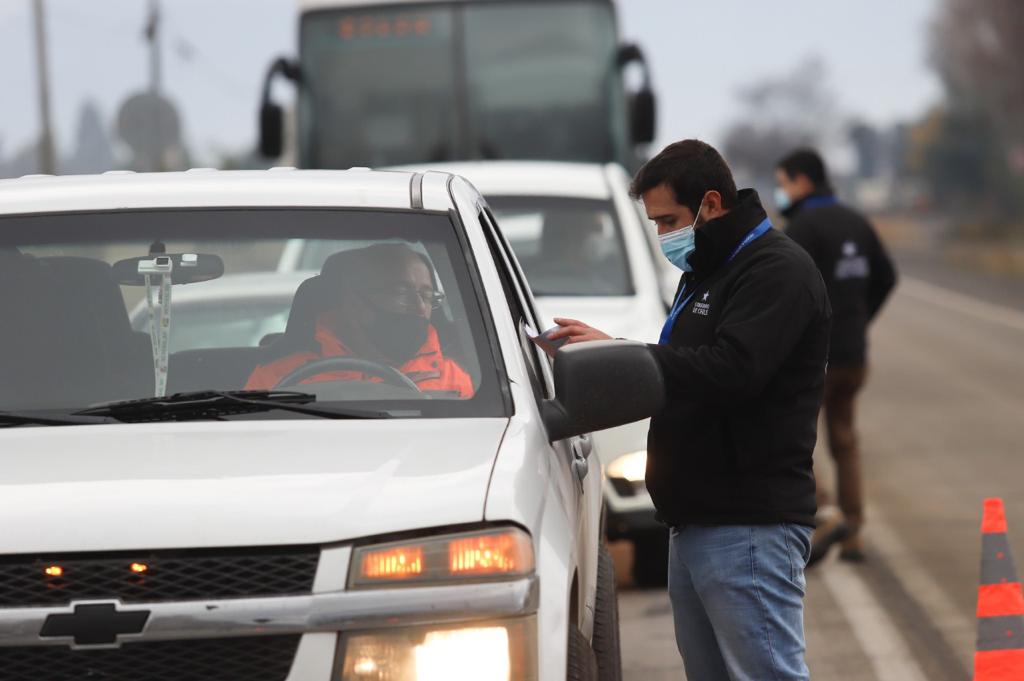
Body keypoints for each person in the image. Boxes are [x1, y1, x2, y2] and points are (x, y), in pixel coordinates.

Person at [549, 139, 831, 681]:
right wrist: (614, 350)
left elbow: (732, 370)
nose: (663, 236)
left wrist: (630, 360)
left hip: (748, 523)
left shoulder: (775, 270)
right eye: (654, 224)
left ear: (711, 203)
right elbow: (687, 362)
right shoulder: (707, 268)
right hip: (696, 519)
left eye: (668, 220)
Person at [775, 148, 897, 564]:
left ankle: (823, 513)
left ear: (803, 182)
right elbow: (887, 276)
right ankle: (854, 531)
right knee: (845, 439)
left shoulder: (800, 229)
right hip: (854, 356)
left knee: (797, 437)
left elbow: (784, 288)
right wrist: (861, 319)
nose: (781, 191)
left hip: (816, 358)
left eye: (784, 182)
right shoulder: (857, 221)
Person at [245, 243, 474, 398]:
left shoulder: (452, 379)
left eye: (427, 295)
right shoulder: (277, 376)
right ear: (353, 300)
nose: (419, 307)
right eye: (400, 293)